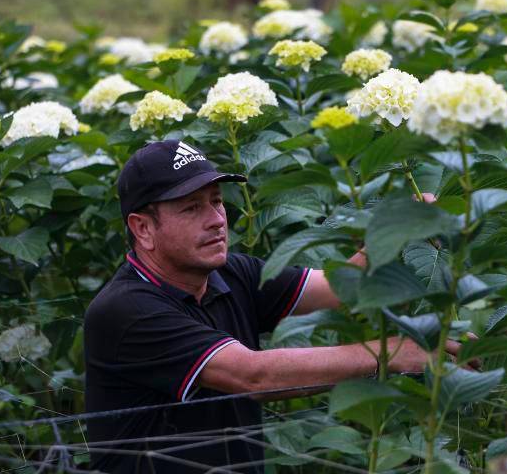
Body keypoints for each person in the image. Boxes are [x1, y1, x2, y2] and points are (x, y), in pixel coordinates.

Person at [83, 140, 467, 473]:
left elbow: (338, 288)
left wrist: (400, 227)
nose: (217, 220)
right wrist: (392, 353)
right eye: (191, 208)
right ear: (143, 229)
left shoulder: (231, 273)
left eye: (217, 202)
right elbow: (254, 376)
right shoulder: (126, 311)